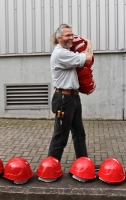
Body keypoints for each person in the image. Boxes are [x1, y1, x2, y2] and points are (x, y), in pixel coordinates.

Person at [48, 24, 93, 161]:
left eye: (72, 35)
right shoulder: (60, 53)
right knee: (61, 136)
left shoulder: (67, 53)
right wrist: (89, 42)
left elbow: (80, 69)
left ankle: (83, 164)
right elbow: (88, 57)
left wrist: (90, 80)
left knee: (79, 134)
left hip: (73, 98)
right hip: (64, 99)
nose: (72, 38)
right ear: (59, 38)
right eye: (68, 35)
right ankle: (51, 167)